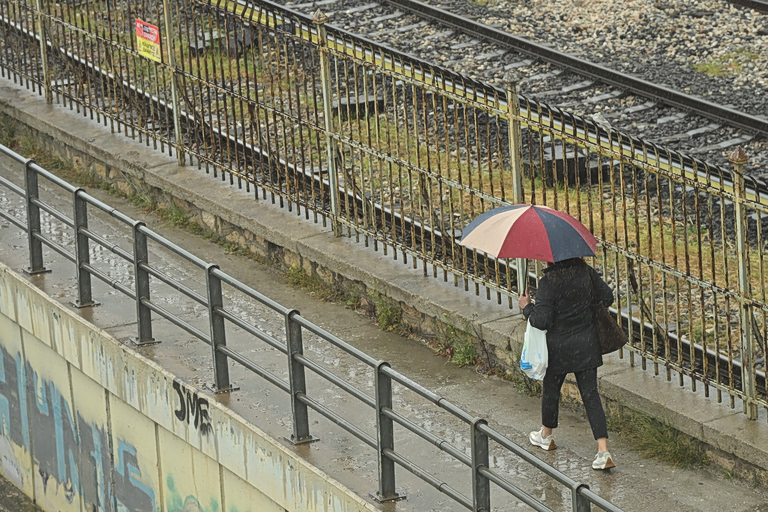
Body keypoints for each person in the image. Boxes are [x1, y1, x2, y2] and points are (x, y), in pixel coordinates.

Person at [517, 257, 616, 470]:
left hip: (558, 348)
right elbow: (607, 297)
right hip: (586, 343)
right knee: (591, 395)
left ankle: (546, 435)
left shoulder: (548, 283)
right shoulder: (585, 273)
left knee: (551, 391)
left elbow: (541, 321)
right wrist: (585, 309)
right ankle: (602, 451)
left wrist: (526, 308)